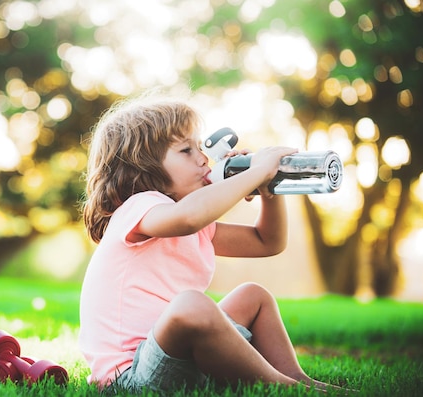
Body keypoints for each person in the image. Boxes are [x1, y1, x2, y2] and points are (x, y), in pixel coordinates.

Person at [78, 90, 346, 393]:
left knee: (252, 296)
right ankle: (289, 390)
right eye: (186, 150)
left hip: (178, 359)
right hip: (131, 378)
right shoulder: (137, 208)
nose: (203, 158)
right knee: (191, 305)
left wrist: (267, 190)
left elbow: (267, 242)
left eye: (199, 146)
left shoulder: (194, 223)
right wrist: (255, 172)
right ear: (144, 168)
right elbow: (190, 216)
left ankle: (297, 381)